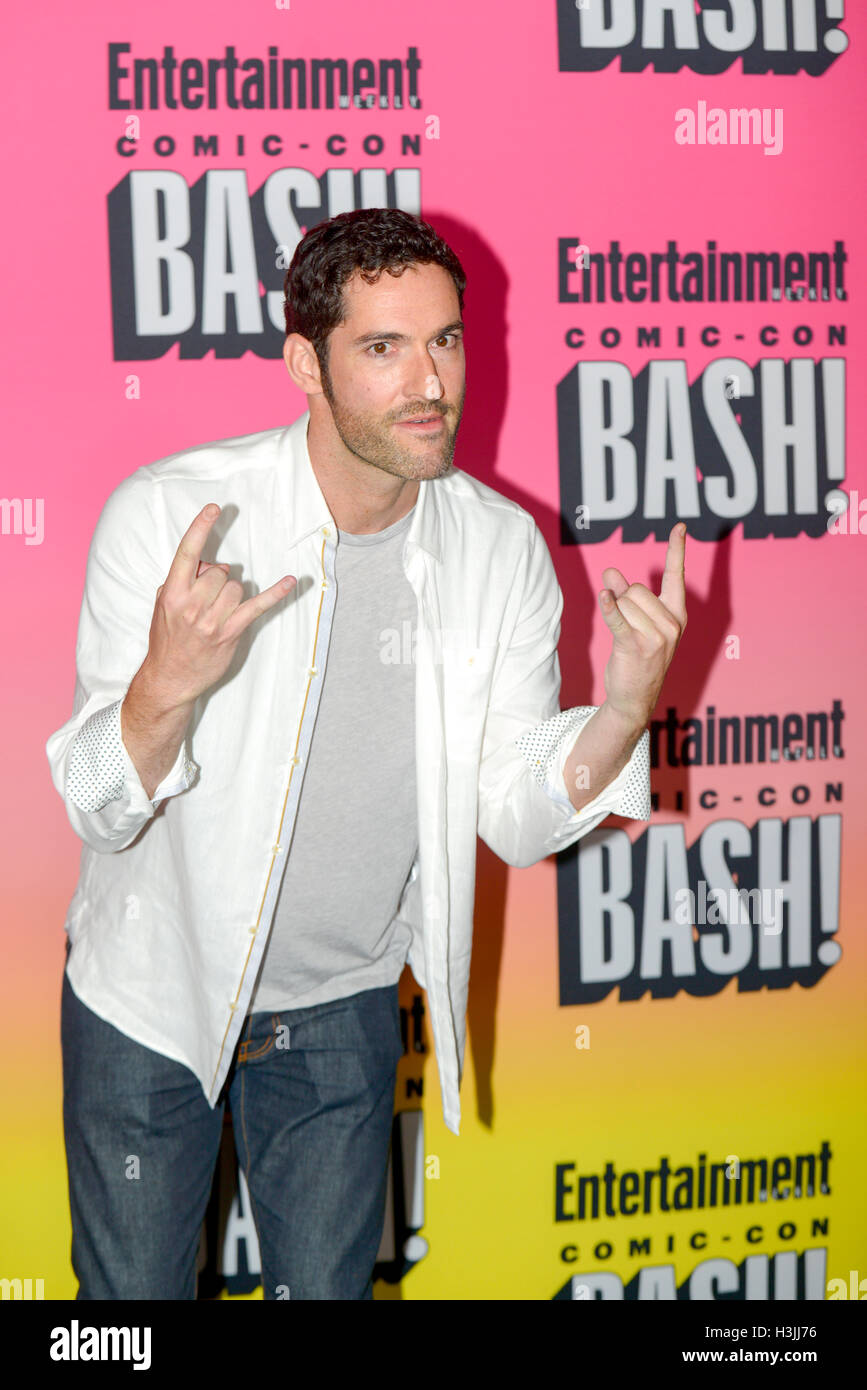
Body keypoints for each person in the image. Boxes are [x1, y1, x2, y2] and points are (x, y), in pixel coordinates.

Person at [46, 207, 685, 1301]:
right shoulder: (168, 519)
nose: (428, 381)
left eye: (445, 339)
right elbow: (99, 809)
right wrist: (167, 686)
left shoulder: (498, 546)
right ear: (306, 362)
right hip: (150, 1002)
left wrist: (623, 711)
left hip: (340, 1010)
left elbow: (511, 814)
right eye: (383, 348)